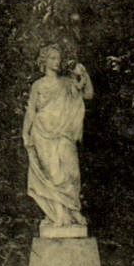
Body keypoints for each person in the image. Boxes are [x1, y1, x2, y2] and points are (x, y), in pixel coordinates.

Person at [22, 44, 93, 229]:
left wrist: (84, 75)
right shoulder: (38, 85)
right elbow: (31, 111)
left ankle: (73, 208)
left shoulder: (67, 82)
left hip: (63, 133)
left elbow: (88, 94)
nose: (56, 62)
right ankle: (59, 214)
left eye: (58, 58)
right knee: (53, 174)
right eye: (52, 58)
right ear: (44, 61)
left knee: (72, 172)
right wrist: (25, 133)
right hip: (42, 132)